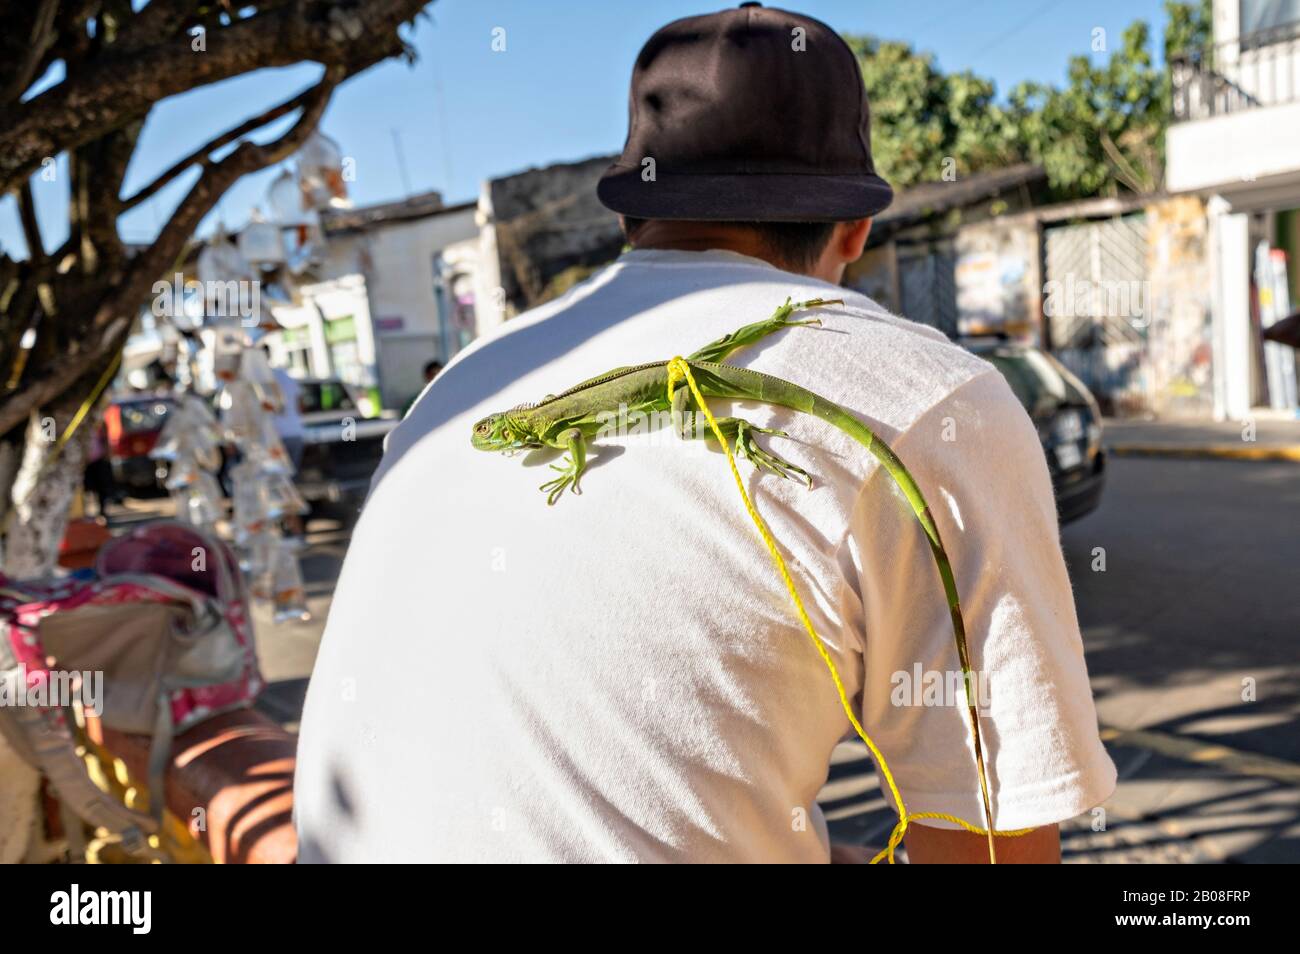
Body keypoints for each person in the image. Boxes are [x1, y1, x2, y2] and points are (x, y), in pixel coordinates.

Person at [295, 4, 1115, 863]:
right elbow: (994, 854)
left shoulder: (458, 387)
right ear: (857, 230)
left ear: (627, 220)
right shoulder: (929, 395)